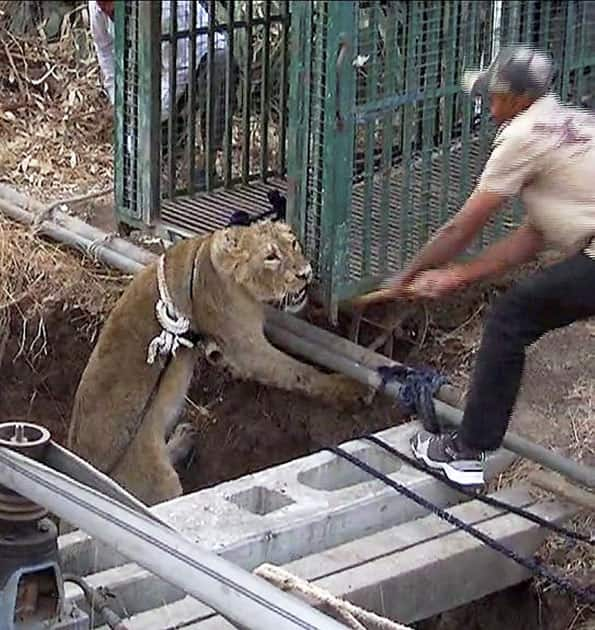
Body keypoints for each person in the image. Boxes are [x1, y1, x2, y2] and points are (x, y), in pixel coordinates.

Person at [381, 46, 595, 486]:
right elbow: (531, 238)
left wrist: (408, 274)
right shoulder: (573, 122)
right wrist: (456, 275)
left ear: (519, 99)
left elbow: (461, 228)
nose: (489, 106)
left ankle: (465, 451)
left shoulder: (523, 135)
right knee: (516, 313)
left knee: (509, 318)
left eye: (494, 97)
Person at [88, 0, 235, 186]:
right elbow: (105, 50)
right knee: (145, 130)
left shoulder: (163, 8)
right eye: (104, 6)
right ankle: (162, 160)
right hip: (161, 57)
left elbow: (179, 70)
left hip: (198, 52)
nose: (108, 10)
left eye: (112, 5)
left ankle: (207, 165)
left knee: (219, 71)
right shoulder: (96, 7)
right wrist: (118, 99)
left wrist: (149, 115)